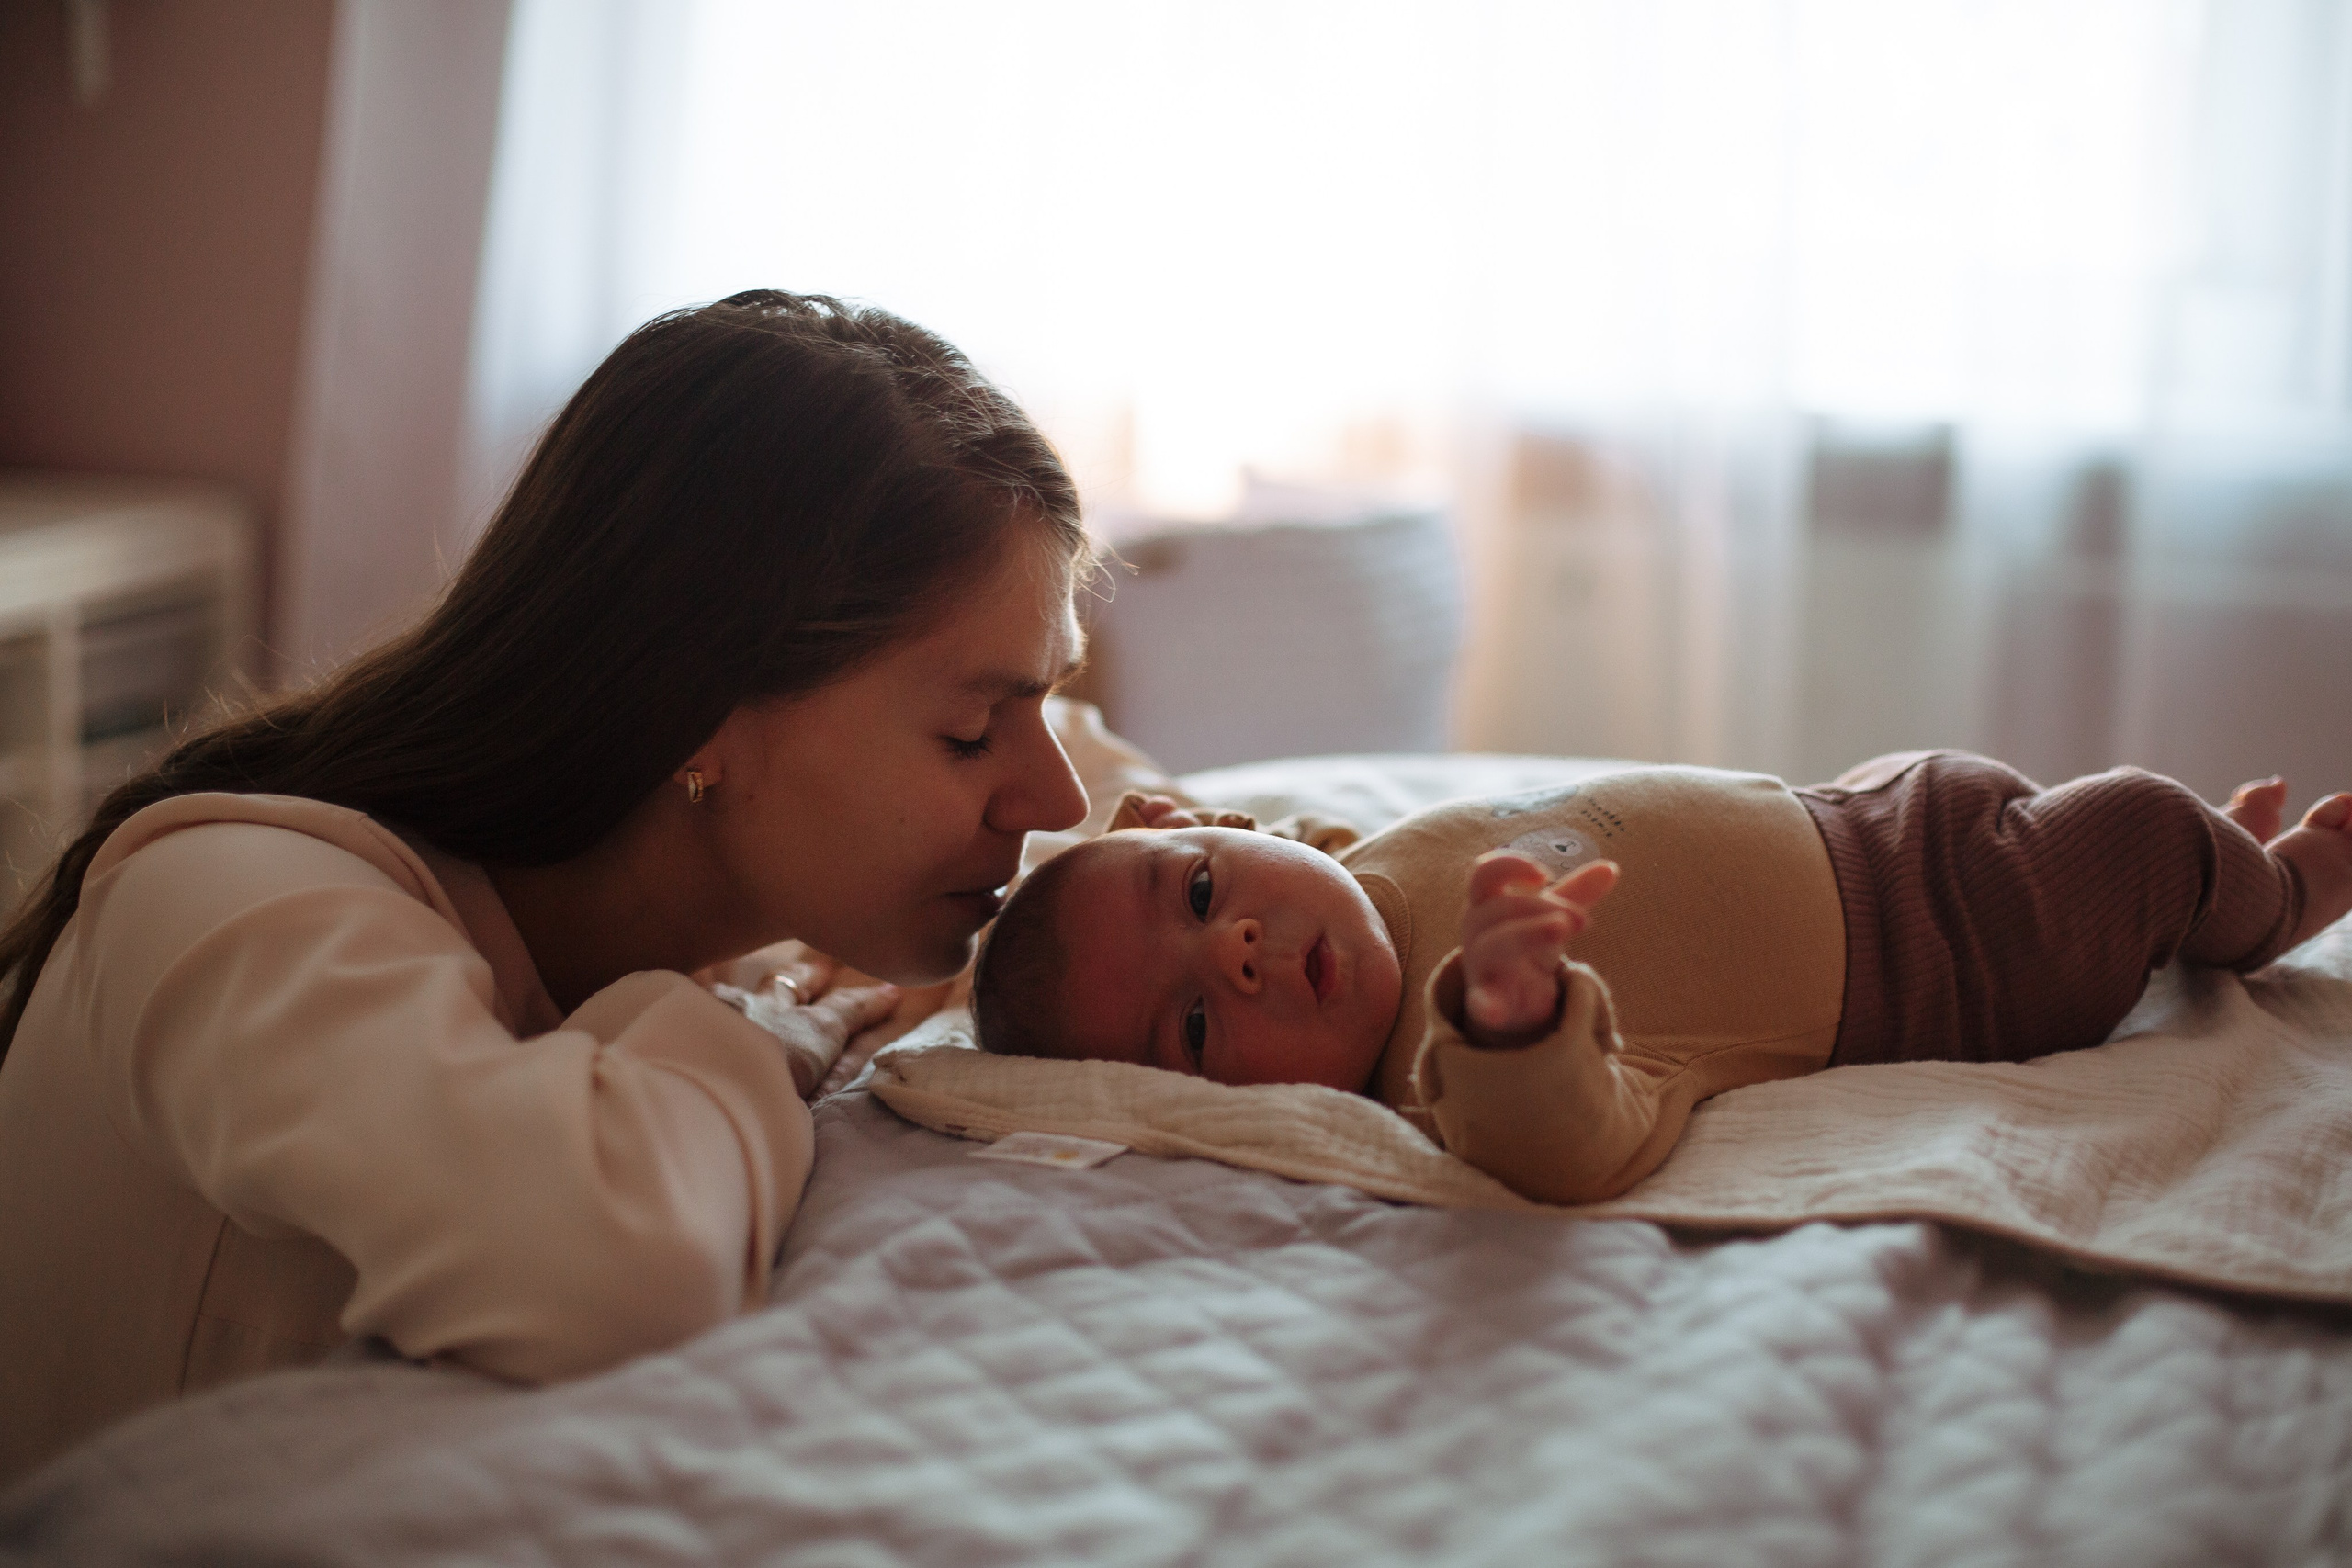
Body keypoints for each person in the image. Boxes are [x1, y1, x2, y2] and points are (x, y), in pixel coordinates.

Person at [0, 291, 1093, 1482]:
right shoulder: (230, 906)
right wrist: (771, 1026)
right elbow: (623, 1270)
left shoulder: (700, 920)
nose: (1059, 800)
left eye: (1045, 702)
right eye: (977, 732)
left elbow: (1117, 781)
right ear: (697, 707)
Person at [972, 752, 2352, 1207]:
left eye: (1204, 892)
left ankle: (2223, 882)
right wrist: (1517, 1022)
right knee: (2141, 831)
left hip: (1868, 813)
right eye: (1199, 1021)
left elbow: (1288, 857)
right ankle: (2279, 894)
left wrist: (1144, 838)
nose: (1244, 948)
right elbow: (1563, 1143)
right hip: (1965, 946)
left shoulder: (1345, 869)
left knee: (2081, 815)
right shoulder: (1440, 1054)